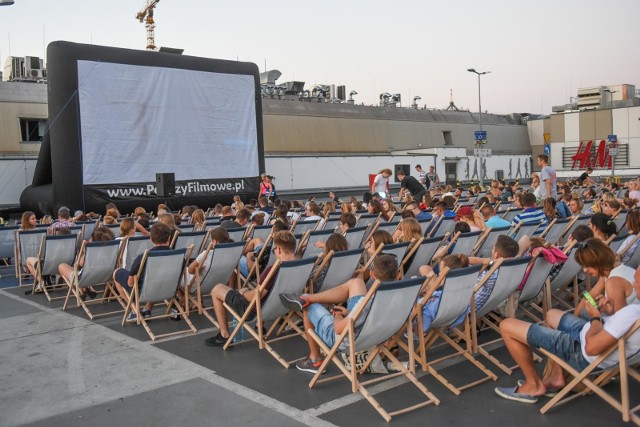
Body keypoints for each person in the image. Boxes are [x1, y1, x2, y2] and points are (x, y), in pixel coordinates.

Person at [495, 266, 640, 404]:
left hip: (581, 351)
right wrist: (607, 314)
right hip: (589, 334)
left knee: (506, 325)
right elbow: (616, 329)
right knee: (552, 314)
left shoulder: (632, 312)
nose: (633, 285)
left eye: (637, 281)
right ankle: (555, 375)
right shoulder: (634, 311)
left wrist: (595, 317)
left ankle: (533, 384)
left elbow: (591, 349)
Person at [279, 253, 400, 373]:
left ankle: (314, 359)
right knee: (356, 283)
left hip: (348, 340)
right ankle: (309, 297)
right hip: (377, 335)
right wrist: (349, 313)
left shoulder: (366, 302)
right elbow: (371, 316)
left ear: (372, 275)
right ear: (398, 274)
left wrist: (338, 316)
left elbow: (338, 329)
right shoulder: (402, 297)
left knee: (308, 307)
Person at [204, 230, 296, 346]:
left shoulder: (273, 270)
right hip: (282, 307)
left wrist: (243, 292)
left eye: (274, 250)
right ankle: (260, 326)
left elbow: (255, 295)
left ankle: (224, 336)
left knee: (217, 289)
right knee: (230, 289)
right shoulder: (301, 267)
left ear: (278, 249)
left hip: (256, 310)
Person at [113, 223, 174, 322]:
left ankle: (134, 310)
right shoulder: (177, 256)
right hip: (168, 289)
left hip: (144, 292)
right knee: (157, 278)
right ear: (169, 238)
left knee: (117, 272)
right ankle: (147, 310)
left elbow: (130, 283)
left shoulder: (143, 257)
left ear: (151, 239)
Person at [574, 238, 637, 318]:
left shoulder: (613, 282)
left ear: (598, 260)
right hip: (632, 319)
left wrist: (598, 316)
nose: (585, 270)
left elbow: (620, 321)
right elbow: (590, 295)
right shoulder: (613, 270)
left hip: (631, 324)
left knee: (584, 314)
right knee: (584, 312)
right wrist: (575, 317)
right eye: (583, 266)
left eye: (587, 265)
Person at [468, 235, 520, 312]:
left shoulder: (489, 273)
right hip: (489, 305)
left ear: (496, 255)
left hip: (471, 308)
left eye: (493, 249)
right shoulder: (514, 270)